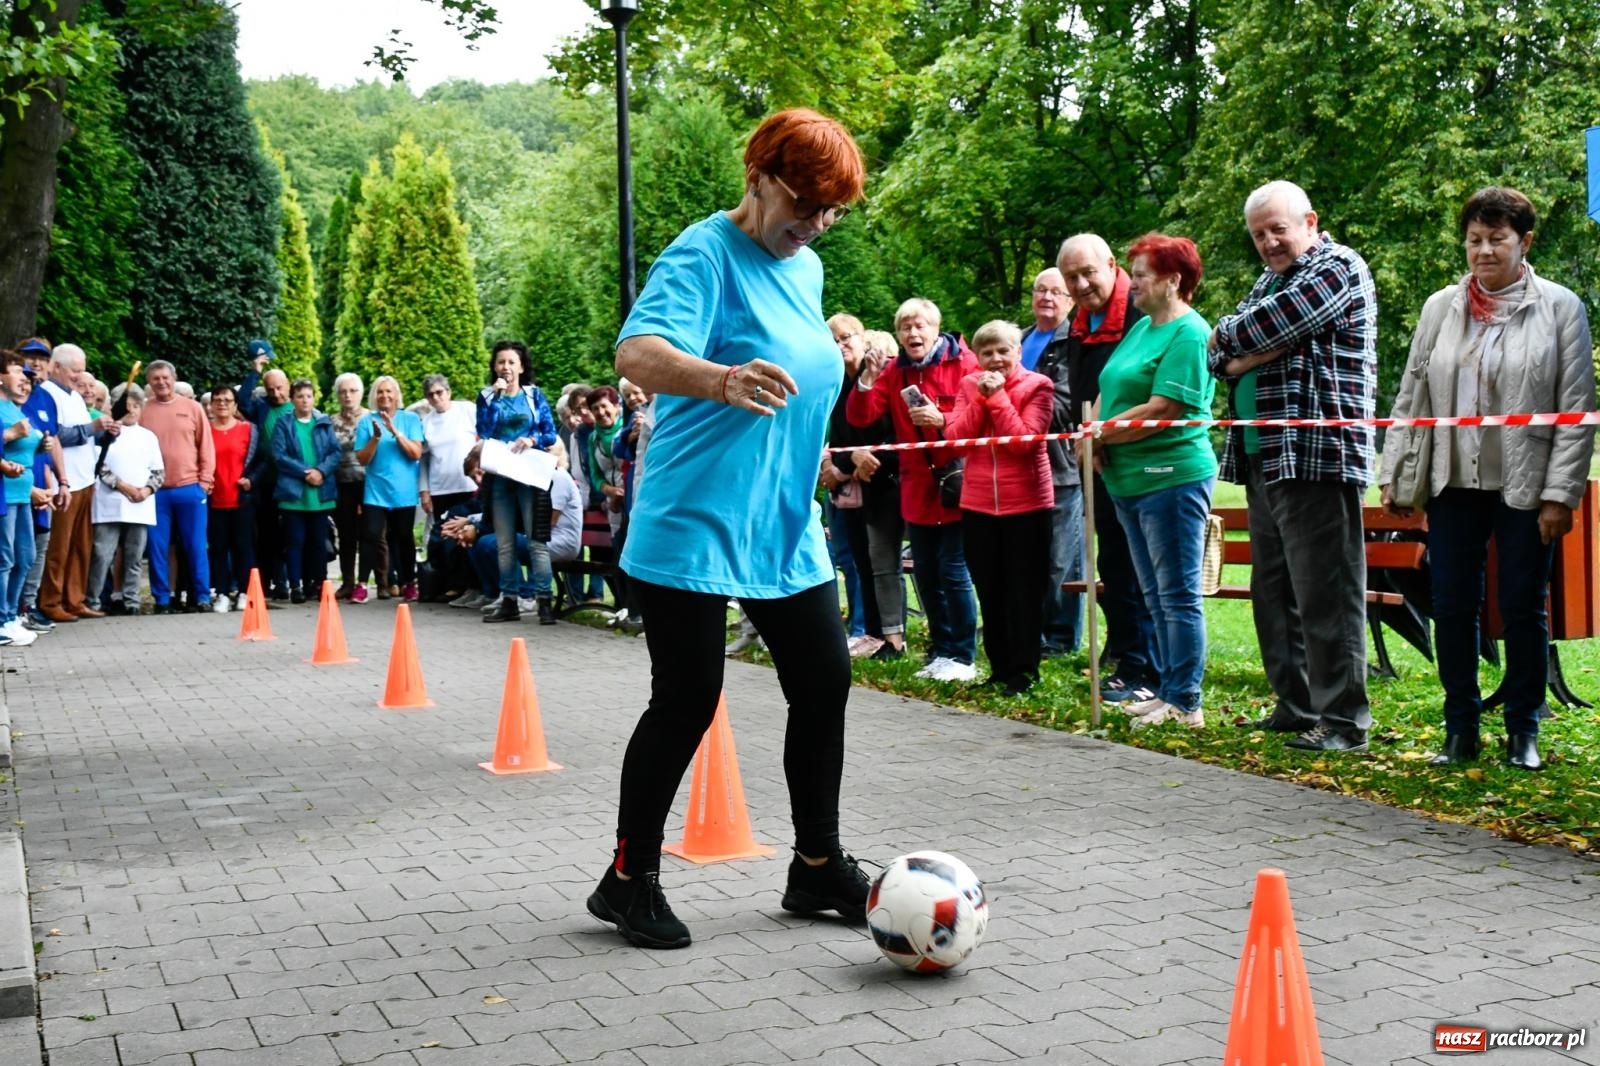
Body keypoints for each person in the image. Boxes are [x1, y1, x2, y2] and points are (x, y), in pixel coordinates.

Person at [587, 108, 870, 950]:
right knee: (688, 699)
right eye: (806, 205)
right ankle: (628, 877)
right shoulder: (705, 252)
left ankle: (817, 864)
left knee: (824, 681)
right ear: (760, 177)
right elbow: (635, 353)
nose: (815, 225)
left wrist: (810, 458)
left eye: (832, 212)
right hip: (694, 519)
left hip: (782, 523)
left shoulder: (807, 268)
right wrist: (718, 378)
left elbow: (795, 391)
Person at [1380, 187, 1595, 771]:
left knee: (1524, 607)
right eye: (1475, 239)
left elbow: (1576, 407)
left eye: (1497, 239)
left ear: (1524, 242)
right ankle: (1460, 728)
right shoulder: (1439, 308)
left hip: (1527, 485)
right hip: (1454, 482)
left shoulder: (1560, 308)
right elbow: (1411, 395)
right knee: (1452, 605)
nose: (1483, 250)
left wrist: (1560, 494)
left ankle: (1523, 730)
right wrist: (1396, 473)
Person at [1208, 180, 1378, 752]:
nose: (1269, 242)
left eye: (1278, 228)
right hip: (1263, 453)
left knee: (1326, 591)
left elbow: (1260, 327)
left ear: (1310, 220)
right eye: (1259, 234)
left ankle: (1344, 720)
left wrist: (1245, 345)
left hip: (1317, 455)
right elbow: (1217, 349)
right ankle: (1298, 705)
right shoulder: (1270, 280)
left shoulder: (1337, 267)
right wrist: (1247, 347)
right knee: (1274, 591)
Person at [1095, 234, 1217, 728]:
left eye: (1142, 275)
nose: (1133, 285)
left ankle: (1186, 700)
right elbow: (1110, 388)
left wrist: (1100, 435)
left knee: (1177, 593)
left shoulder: (1189, 333)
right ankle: (1169, 687)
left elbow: (1163, 409)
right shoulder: (1143, 327)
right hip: (1127, 480)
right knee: (1152, 593)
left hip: (1171, 477)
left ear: (1173, 280)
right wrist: (1093, 435)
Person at [848, 298, 980, 682]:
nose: (913, 333)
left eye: (920, 325)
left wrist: (944, 419)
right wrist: (868, 379)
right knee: (926, 573)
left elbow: (976, 414)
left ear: (936, 328)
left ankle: (964, 655)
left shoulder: (963, 363)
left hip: (956, 483)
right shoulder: (894, 371)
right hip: (917, 489)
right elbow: (862, 417)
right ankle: (942, 651)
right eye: (905, 327)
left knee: (954, 571)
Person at [1055, 234, 1159, 702]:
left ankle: (1143, 664)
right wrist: (1086, 440)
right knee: (1113, 562)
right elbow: (1080, 385)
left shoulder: (1139, 312)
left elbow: (1142, 385)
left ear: (1111, 265)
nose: (1080, 284)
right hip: (1093, 454)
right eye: (1070, 277)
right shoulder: (1078, 321)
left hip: (1135, 454)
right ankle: (1124, 653)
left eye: (1087, 273)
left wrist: (1104, 433)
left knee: (1137, 564)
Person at [944, 320, 1055, 695]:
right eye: (986, 352)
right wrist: (980, 398)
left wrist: (998, 398)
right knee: (990, 591)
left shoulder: (1038, 386)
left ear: (1018, 352)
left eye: (1002, 350)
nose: (995, 359)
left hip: (1026, 505)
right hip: (978, 505)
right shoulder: (967, 386)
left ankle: (1024, 671)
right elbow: (956, 440)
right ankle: (999, 668)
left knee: (1024, 591)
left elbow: (1023, 441)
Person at [1022, 268, 1083, 657]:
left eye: (1056, 292)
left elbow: (1062, 405)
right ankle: (1037, 628)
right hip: (1019, 468)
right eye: (1040, 290)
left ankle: (1059, 636)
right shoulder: (1022, 339)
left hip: (1060, 466)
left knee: (1062, 555)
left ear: (1070, 300)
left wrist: (1010, 406)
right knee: (1032, 553)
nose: (1046, 297)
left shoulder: (1072, 342)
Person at [474, 341, 558, 623]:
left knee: (537, 541)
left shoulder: (534, 396)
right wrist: (495, 398)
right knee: (505, 542)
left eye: (511, 362)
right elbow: (484, 431)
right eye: (501, 362)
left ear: (521, 366)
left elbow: (550, 432)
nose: (506, 367)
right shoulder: (486, 397)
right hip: (499, 476)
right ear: (494, 367)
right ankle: (509, 599)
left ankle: (544, 599)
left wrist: (531, 439)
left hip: (529, 475)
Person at [37, 343, 117, 623]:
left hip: (85, 481)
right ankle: (51, 600)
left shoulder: (72, 396)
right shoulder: (48, 394)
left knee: (80, 545)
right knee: (59, 546)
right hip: (66, 482)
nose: (80, 377)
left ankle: (74, 598)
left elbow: (84, 438)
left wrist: (105, 433)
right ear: (56, 366)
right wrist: (91, 429)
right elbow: (55, 436)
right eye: (76, 371)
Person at [822, 313, 877, 655]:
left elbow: (875, 436)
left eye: (846, 338)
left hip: (872, 483)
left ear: (862, 338)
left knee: (874, 561)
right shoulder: (834, 384)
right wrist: (831, 464)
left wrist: (842, 466)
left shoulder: (874, 379)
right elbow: (836, 436)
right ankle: (859, 627)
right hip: (838, 482)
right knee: (849, 558)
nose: (840, 345)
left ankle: (871, 628)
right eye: (833, 340)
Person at [140, 360, 215, 614]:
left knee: (196, 545)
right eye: (155, 379)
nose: (161, 382)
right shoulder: (143, 411)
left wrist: (204, 482)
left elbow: (206, 446)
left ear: (173, 378)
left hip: (190, 488)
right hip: (156, 492)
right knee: (157, 548)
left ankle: (202, 596)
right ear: (149, 383)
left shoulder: (193, 408)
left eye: (165, 377)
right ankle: (162, 599)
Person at [86, 384, 163, 617]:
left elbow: (159, 471)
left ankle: (132, 600)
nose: (131, 409)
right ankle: (93, 600)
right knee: (102, 555)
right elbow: (100, 467)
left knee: (134, 556)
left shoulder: (149, 436)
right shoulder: (107, 433)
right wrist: (124, 486)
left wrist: (147, 490)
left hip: (140, 504)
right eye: (126, 405)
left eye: (135, 405)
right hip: (109, 502)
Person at [355, 376, 424, 602]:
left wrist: (395, 431)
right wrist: (375, 438)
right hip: (376, 491)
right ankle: (362, 585)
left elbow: (415, 453)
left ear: (396, 395)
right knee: (370, 535)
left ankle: (409, 583)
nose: (385, 396)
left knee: (404, 537)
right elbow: (362, 459)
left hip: (403, 491)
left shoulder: (410, 419)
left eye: (389, 392)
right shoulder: (367, 422)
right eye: (380, 392)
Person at [271, 380, 340, 603]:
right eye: (300, 396)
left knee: (318, 542)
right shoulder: (284, 423)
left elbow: (335, 452)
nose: (305, 400)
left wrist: (321, 471)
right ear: (293, 399)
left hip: (320, 493)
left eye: (309, 396)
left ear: (314, 398)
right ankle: (296, 585)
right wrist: (304, 472)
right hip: (294, 493)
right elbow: (279, 455)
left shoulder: (323, 422)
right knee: (295, 541)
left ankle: (319, 584)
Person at [238, 343, 292, 600]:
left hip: (293, 481)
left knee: (290, 535)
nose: (276, 393)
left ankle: (293, 581)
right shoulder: (262, 407)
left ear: (288, 386)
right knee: (267, 534)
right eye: (270, 389)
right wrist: (255, 372)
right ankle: (270, 582)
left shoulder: (298, 408)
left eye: (280, 388)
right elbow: (241, 400)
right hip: (266, 482)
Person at [206, 383, 266, 611]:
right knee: (218, 548)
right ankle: (221, 593)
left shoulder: (249, 430)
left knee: (244, 547)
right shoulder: (205, 431)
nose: (222, 404)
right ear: (211, 405)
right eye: (217, 400)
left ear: (235, 405)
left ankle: (244, 592)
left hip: (242, 499)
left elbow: (261, 461)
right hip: (215, 499)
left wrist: (251, 479)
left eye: (227, 400)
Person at [0, 352, 44, 645]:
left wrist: (42, 446)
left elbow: (22, 448)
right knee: (5, 557)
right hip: (6, 490)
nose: (24, 379)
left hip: (21, 492)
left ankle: (12, 614)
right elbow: (7, 441)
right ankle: (3, 619)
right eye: (17, 371)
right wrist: (10, 434)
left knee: (25, 556)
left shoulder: (15, 408)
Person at [327, 372, 379, 602]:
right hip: (342, 483)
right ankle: (348, 582)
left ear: (361, 393)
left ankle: (380, 582)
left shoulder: (372, 418)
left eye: (352, 391)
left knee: (373, 533)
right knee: (346, 535)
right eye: (343, 391)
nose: (348, 396)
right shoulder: (330, 422)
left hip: (370, 482)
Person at [418, 373, 478, 548]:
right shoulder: (426, 423)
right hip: (440, 490)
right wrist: (424, 491)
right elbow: (423, 459)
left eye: (439, 392)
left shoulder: (467, 410)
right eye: (431, 394)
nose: (436, 397)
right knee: (445, 537)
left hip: (469, 486)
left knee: (468, 536)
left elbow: (484, 441)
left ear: (448, 392)